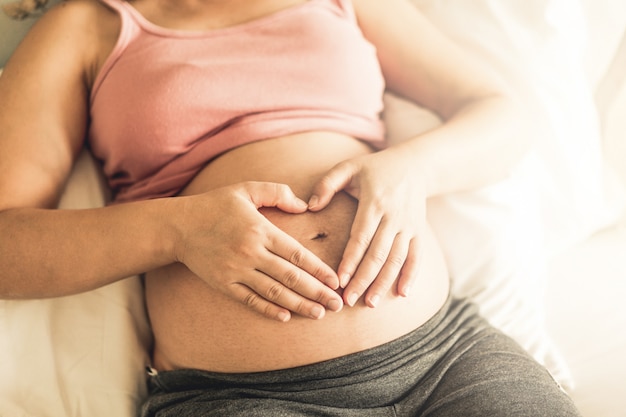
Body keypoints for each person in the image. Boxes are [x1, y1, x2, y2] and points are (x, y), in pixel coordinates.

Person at [0, 0, 582, 415]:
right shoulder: (84, 27)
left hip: (448, 361)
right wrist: (178, 230)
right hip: (243, 397)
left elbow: (499, 110)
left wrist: (415, 168)